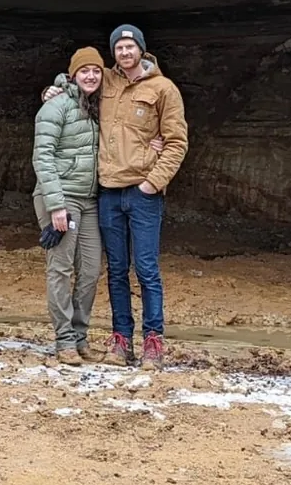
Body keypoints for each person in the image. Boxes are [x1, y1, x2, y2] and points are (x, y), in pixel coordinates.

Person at [44, 25, 188, 369]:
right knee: (117, 270)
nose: (125, 52)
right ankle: (120, 340)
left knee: (147, 269)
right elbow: (80, 77)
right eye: (119, 48)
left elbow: (176, 142)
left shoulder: (164, 89)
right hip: (107, 192)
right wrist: (53, 89)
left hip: (143, 192)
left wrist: (152, 183)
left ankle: (153, 341)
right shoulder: (107, 81)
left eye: (130, 46)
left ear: (141, 49)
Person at [31, 47, 105, 366]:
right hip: (60, 199)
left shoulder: (103, 106)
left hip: (90, 200)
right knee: (60, 268)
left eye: (97, 71)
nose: (91, 76)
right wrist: (57, 206)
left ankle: (81, 338)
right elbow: (42, 157)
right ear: (73, 74)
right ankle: (64, 341)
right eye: (84, 70)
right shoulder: (56, 105)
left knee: (89, 271)